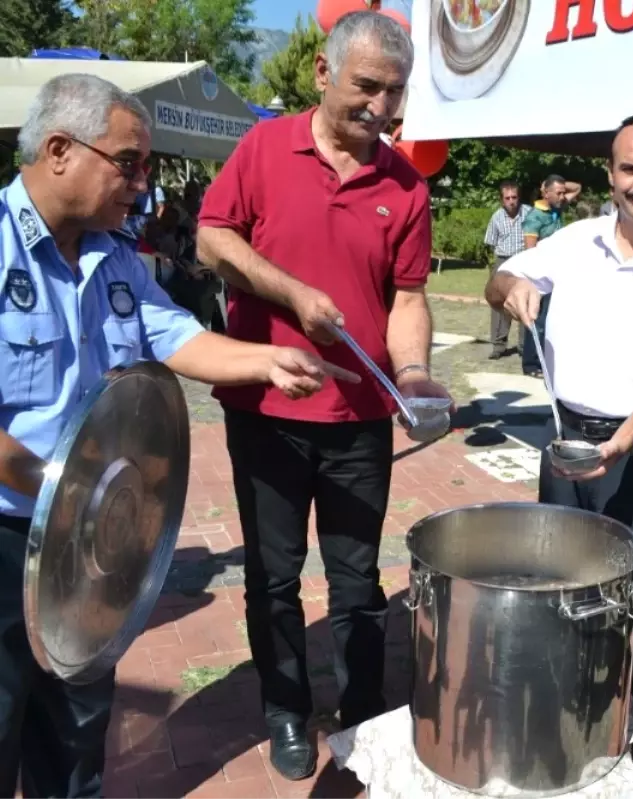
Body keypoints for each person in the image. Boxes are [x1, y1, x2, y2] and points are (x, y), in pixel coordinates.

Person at [0, 73, 353, 799]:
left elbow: (177, 337)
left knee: (76, 731)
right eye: (129, 162)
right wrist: (60, 491)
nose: (142, 182)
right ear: (61, 149)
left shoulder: (116, 258)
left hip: (87, 537)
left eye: (148, 166)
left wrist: (266, 360)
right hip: (13, 532)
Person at [196, 12, 451, 782]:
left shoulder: (405, 185)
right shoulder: (265, 148)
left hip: (359, 423)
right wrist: (292, 293)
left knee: (357, 581)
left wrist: (410, 374)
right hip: (264, 412)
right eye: (365, 87)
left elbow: (408, 298)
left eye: (394, 92)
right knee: (273, 577)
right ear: (322, 75)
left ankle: (366, 711)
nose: (380, 107)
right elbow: (213, 239)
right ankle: (285, 708)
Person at [484, 114, 633, 751]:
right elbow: (496, 280)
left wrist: (620, 445)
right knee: (557, 575)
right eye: (630, 169)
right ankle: (567, 699)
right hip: (566, 436)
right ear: (610, 173)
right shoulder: (573, 241)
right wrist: (509, 288)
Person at [520, 174, 579, 377]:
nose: (563, 196)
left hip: (556, 273)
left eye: (563, 192)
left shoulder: (557, 209)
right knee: (537, 321)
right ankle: (530, 364)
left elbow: (577, 187)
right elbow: (530, 251)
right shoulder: (534, 217)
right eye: (559, 192)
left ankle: (545, 361)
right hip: (540, 275)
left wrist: (557, 183)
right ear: (546, 193)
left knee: (551, 320)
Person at [483, 180, 529, 359]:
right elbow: (490, 243)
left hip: (523, 259)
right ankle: (498, 345)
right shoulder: (496, 217)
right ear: (502, 200)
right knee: (499, 304)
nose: (511, 201)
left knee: (524, 301)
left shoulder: (529, 214)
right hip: (502, 261)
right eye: (507, 198)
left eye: (514, 197)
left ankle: (525, 346)